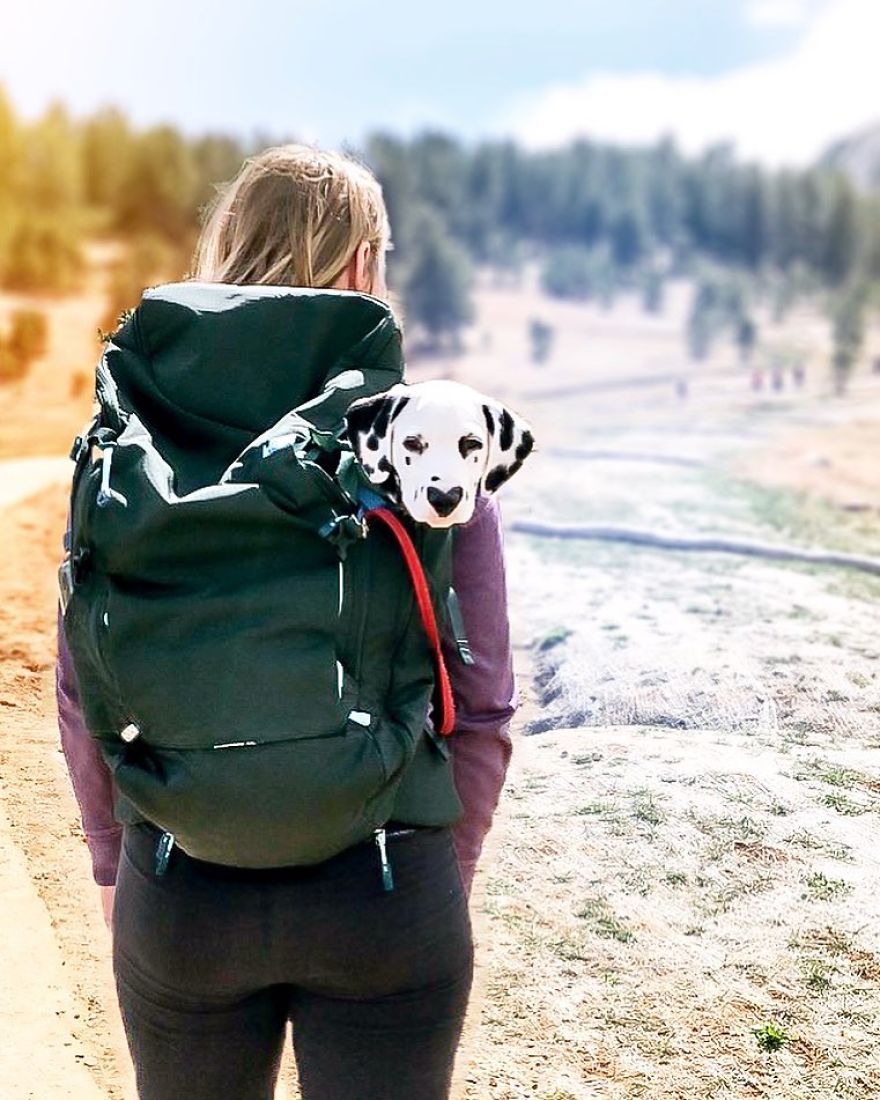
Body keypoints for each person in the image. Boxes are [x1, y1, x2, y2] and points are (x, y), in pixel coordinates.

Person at [56, 144, 517, 1100]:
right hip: (386, 885)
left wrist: (116, 864)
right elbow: (479, 693)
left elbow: (85, 674)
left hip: (182, 887)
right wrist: (445, 865)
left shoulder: (131, 435)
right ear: (360, 267)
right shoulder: (420, 434)